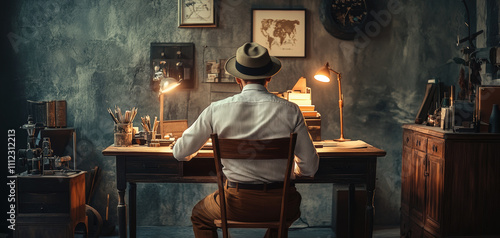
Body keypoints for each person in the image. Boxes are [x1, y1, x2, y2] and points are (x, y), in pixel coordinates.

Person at [173, 42, 319, 238]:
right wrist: (295, 169)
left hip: (236, 204)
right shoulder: (291, 110)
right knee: (285, 213)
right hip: (282, 203)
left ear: (237, 79)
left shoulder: (216, 110)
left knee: (200, 215)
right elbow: (310, 168)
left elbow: (180, 153)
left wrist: (196, 149)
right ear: (269, 76)